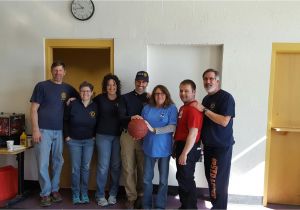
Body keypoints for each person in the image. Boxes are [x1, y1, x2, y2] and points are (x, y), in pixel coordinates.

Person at [30, 61, 79, 207]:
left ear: (65, 72)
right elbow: (33, 109)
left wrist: (73, 99)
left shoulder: (68, 88)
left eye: (60, 70)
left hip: (59, 131)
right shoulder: (42, 86)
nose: (58, 73)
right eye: (55, 70)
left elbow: (84, 98)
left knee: (58, 161)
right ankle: (45, 193)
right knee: (43, 163)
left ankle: (55, 190)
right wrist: (35, 129)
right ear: (51, 71)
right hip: (43, 131)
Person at [195, 69, 235, 210]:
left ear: (217, 81)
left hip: (221, 147)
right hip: (209, 146)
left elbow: (224, 121)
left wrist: (204, 110)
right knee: (211, 181)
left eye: (211, 78)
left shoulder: (226, 98)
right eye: (205, 79)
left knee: (217, 181)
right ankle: (216, 206)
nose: (208, 81)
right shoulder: (206, 99)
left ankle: (219, 208)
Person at [141, 85, 178, 209]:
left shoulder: (172, 108)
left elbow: (172, 127)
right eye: (156, 93)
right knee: (146, 180)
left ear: (166, 95)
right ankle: (146, 206)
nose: (159, 96)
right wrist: (137, 132)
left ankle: (160, 206)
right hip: (148, 148)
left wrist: (154, 129)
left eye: (162, 93)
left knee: (163, 181)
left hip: (164, 149)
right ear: (153, 95)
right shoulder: (146, 108)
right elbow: (141, 126)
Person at [118, 71, 150, 209]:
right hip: (127, 136)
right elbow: (120, 117)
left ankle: (141, 195)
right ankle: (131, 197)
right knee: (128, 167)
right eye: (138, 81)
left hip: (145, 137)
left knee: (143, 168)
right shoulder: (125, 98)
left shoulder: (151, 98)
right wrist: (132, 118)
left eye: (144, 82)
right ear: (135, 81)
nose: (141, 84)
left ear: (147, 83)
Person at [63, 81, 98, 204]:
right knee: (75, 168)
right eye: (83, 91)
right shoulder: (73, 104)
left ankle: (84, 193)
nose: (85, 93)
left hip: (89, 142)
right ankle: (75, 193)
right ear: (79, 92)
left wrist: (94, 136)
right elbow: (65, 120)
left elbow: (99, 122)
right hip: (74, 141)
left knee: (85, 168)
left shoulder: (95, 106)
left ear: (92, 93)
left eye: (88, 91)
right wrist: (67, 136)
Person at [173, 79, 203, 209]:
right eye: (181, 90)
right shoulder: (183, 108)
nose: (183, 93)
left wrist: (184, 153)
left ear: (194, 92)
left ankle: (190, 207)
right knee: (182, 177)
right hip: (182, 145)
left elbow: (193, 133)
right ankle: (185, 205)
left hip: (188, 147)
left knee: (186, 179)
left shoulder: (193, 109)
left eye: (186, 91)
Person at [94, 74, 122, 207]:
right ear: (105, 86)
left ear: (117, 86)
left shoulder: (122, 99)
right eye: (109, 85)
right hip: (102, 136)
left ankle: (113, 194)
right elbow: (86, 104)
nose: (111, 87)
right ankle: (100, 195)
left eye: (114, 84)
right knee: (103, 166)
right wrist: (73, 100)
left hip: (118, 136)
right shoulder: (99, 99)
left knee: (116, 166)